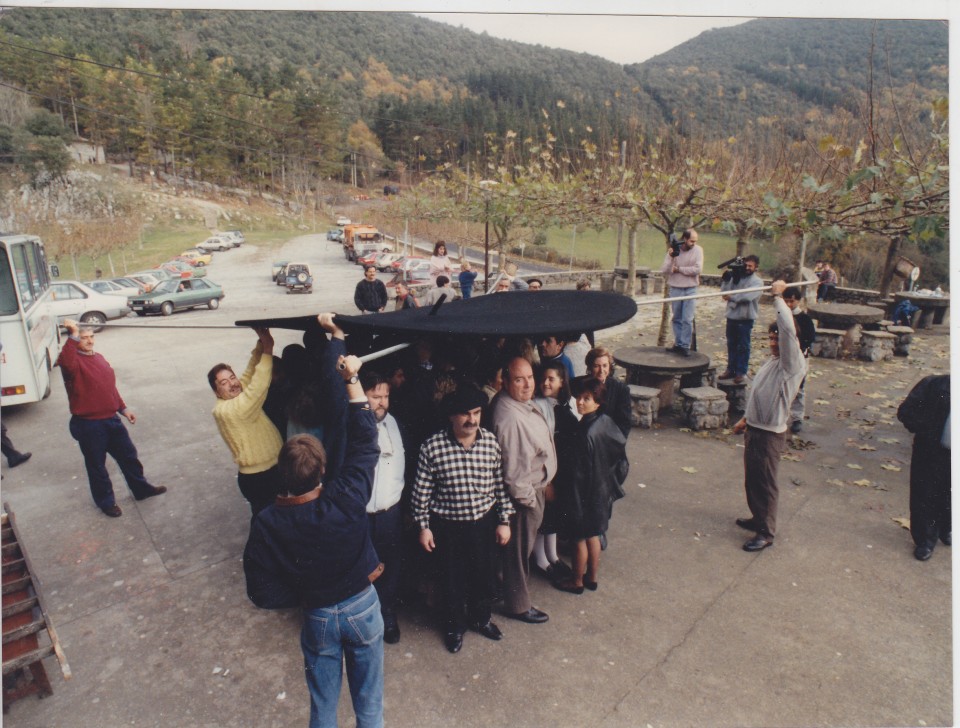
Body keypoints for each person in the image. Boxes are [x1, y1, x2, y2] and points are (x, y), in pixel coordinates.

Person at [243, 352, 385, 728]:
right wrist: (352, 379)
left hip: (317, 614)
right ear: (322, 468)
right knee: (369, 705)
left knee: (323, 706)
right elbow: (367, 441)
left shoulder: (268, 521)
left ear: (282, 474)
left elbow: (261, 591)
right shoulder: (347, 495)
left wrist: (304, 594)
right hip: (362, 607)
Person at [411, 385, 514, 653]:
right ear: (451, 417)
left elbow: (499, 485)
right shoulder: (432, 447)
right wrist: (423, 527)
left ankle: (481, 619)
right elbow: (421, 492)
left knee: (484, 576)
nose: (472, 420)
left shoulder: (490, 442)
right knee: (451, 580)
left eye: (477, 412)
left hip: (484, 523)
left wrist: (504, 520)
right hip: (449, 528)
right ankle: (454, 627)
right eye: (465, 414)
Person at [57, 318, 166, 517]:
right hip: (89, 425)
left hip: (111, 420)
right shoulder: (71, 364)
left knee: (129, 457)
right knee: (97, 466)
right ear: (75, 340)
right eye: (84, 338)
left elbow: (109, 387)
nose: (89, 341)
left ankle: (141, 489)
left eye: (91, 337)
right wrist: (72, 333)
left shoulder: (99, 357)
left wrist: (123, 409)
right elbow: (65, 360)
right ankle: (106, 502)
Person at [731, 280, 807, 552]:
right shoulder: (772, 362)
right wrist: (745, 419)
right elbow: (758, 394)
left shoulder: (792, 363)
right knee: (752, 477)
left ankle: (766, 532)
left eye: (778, 338)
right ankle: (757, 517)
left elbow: (787, 329)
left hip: (770, 434)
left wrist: (778, 297)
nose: (775, 341)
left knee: (765, 481)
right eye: (771, 337)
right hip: (755, 427)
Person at [490, 357, 557, 624]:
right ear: (505, 382)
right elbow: (515, 473)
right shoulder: (509, 417)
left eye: (530, 377)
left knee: (514, 551)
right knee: (517, 553)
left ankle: (499, 589)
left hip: (532, 490)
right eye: (520, 379)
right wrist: (530, 501)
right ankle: (518, 605)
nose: (528, 384)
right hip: (523, 497)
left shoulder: (515, 402)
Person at [553, 377, 628, 594]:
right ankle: (591, 577)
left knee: (578, 539)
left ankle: (576, 581)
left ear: (598, 402)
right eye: (579, 397)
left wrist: (572, 503)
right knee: (594, 535)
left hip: (582, 496)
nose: (580, 402)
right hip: (601, 492)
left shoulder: (584, 433)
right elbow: (620, 457)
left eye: (587, 399)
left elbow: (577, 474)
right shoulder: (606, 423)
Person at [209, 327, 285, 516]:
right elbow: (258, 386)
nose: (232, 383)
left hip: (271, 470)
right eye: (223, 383)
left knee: (272, 524)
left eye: (232, 377)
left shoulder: (234, 398)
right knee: (267, 525)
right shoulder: (229, 410)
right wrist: (268, 350)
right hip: (259, 478)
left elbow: (249, 374)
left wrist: (260, 343)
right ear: (217, 392)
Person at [361, 369, 407, 644]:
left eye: (386, 395)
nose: (382, 402)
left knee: (390, 567)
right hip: (360, 515)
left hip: (391, 513)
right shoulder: (351, 426)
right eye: (375, 396)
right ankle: (364, 622)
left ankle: (387, 615)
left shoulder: (395, 424)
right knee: (360, 570)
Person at [532, 362, 578, 583]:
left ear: (562, 382)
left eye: (551, 379)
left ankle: (552, 555)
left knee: (554, 515)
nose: (545, 383)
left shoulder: (563, 405)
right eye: (543, 379)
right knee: (545, 516)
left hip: (561, 470)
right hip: (547, 472)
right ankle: (541, 559)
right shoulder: (539, 406)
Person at [897, 374, 951, 561]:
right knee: (926, 494)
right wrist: (926, 430)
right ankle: (925, 540)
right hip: (931, 452)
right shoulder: (935, 385)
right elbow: (906, 411)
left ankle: (946, 529)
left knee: (949, 495)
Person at [719, 255, 763, 384]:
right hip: (732, 316)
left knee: (743, 346)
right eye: (746, 265)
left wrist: (731, 296)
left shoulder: (758, 282)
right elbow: (723, 292)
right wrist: (727, 280)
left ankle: (741, 372)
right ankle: (730, 369)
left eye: (750, 266)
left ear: (756, 267)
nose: (747, 268)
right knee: (731, 344)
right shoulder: (736, 278)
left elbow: (747, 296)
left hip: (745, 318)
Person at [660, 228, 703, 357]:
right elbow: (665, 269)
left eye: (695, 241)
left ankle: (685, 345)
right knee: (677, 317)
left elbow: (697, 269)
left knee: (688, 319)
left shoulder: (698, 250)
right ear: (684, 239)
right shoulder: (674, 250)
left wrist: (679, 269)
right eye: (691, 241)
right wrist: (671, 257)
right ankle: (678, 343)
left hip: (690, 288)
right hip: (676, 287)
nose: (694, 243)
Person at [782, 286, 816, 434]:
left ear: (798, 301)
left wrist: (801, 351)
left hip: (801, 356)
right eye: (786, 301)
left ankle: (797, 418)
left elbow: (810, 339)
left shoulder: (805, 319)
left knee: (799, 388)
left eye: (792, 301)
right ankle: (781, 415)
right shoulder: (782, 315)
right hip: (784, 356)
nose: (789, 305)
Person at [584, 347, 632, 439]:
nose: (601, 371)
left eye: (605, 365)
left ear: (610, 366)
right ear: (590, 367)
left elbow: (624, 424)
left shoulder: (621, 389)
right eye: (596, 366)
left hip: (609, 440)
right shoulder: (581, 384)